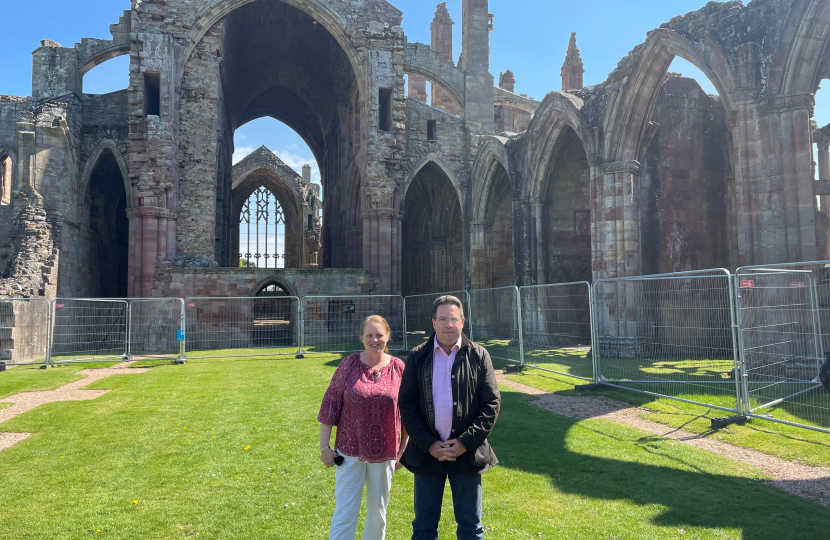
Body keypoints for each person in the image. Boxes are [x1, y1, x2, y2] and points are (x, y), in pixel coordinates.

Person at [398, 295, 501, 540]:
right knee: (423, 526)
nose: (448, 325)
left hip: (467, 454)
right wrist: (429, 444)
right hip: (427, 453)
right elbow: (407, 404)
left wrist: (465, 443)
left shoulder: (478, 355)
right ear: (433, 322)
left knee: (470, 527)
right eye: (442, 319)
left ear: (462, 321)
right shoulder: (418, 356)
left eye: (453, 319)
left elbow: (491, 404)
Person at [318, 315, 409, 540]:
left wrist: (402, 451)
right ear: (362, 338)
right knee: (345, 510)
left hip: (386, 451)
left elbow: (408, 412)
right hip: (349, 449)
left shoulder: (398, 367)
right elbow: (331, 402)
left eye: (379, 335)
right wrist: (324, 447)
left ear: (387, 337)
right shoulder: (348, 364)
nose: (374, 339)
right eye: (369, 335)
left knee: (378, 512)